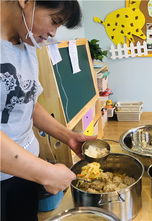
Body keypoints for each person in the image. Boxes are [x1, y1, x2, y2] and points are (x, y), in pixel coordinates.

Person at [0, 1, 95, 220]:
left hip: (26, 167)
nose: (52, 33)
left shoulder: (26, 43)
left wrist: (68, 136)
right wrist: (46, 172)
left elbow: (28, 103)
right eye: (54, 21)